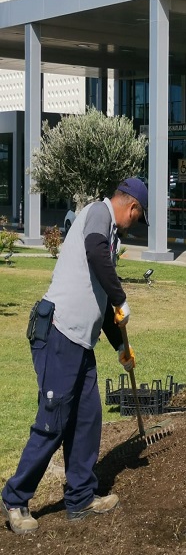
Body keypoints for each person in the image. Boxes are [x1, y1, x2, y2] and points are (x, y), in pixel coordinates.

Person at [1, 177, 149, 535]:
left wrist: (120, 347)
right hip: (58, 332)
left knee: (87, 418)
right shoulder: (98, 214)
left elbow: (102, 306)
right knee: (54, 420)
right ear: (131, 207)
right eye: (137, 217)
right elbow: (96, 253)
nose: (134, 225)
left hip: (82, 342)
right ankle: (15, 498)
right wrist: (120, 296)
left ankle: (80, 498)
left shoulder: (110, 237)